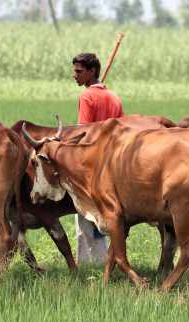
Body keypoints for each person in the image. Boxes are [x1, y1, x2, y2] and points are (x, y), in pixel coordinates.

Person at [71, 52, 125, 265]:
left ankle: (90, 263)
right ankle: (104, 259)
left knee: (87, 216)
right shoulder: (113, 97)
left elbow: (84, 133)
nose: (74, 75)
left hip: (92, 165)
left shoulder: (87, 97)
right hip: (114, 163)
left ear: (92, 71)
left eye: (79, 71)